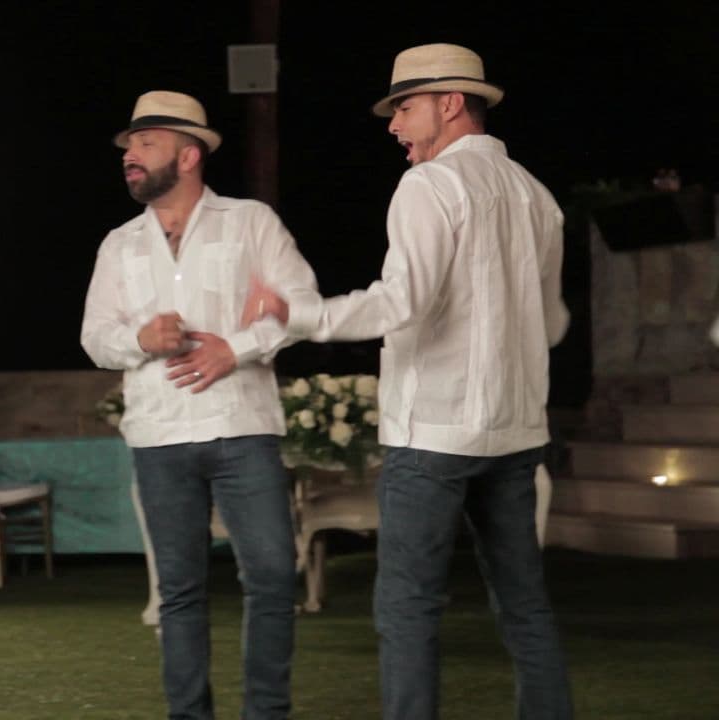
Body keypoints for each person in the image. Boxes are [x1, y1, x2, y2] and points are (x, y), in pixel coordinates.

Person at [245, 44, 574, 719]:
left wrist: (297, 313)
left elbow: (402, 303)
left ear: (450, 104)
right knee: (525, 606)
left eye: (404, 107)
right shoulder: (537, 197)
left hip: (433, 434)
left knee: (407, 608)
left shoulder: (429, 186)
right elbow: (553, 326)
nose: (394, 125)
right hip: (515, 434)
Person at [80, 90, 317, 720]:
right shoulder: (119, 244)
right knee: (179, 591)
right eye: (128, 146)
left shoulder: (251, 222)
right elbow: (95, 338)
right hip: (159, 437)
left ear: (189, 154)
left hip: (242, 428)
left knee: (271, 576)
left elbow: (300, 306)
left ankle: (266, 713)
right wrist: (140, 338)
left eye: (144, 143)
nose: (130, 155)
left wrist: (233, 349)